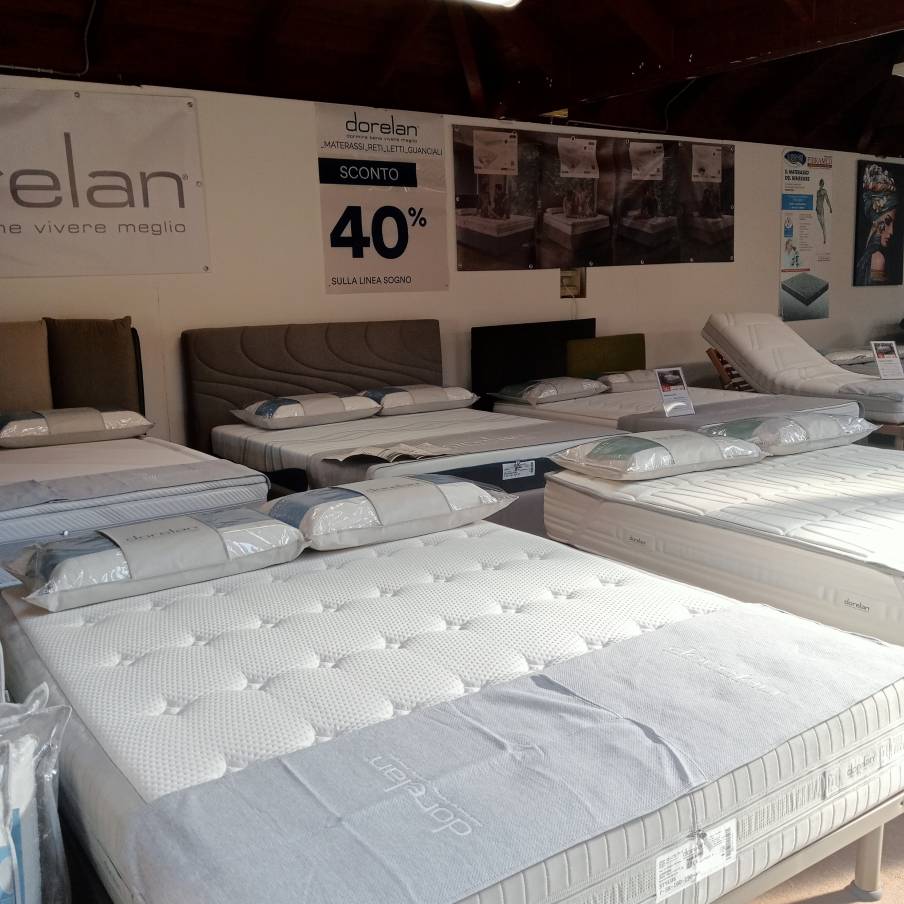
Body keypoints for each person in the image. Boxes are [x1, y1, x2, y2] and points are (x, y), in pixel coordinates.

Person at [855, 164, 898, 286]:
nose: (892, 231)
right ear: (875, 220)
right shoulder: (878, 259)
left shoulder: (867, 255)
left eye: (893, 223)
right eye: (887, 222)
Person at [815, 178, 832, 244]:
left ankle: (825, 239)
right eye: (821, 183)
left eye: (822, 183)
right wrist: (816, 208)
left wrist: (830, 207)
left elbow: (827, 200)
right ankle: (824, 237)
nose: (821, 184)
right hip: (817, 210)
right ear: (819, 184)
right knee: (821, 225)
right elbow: (817, 201)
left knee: (823, 225)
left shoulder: (824, 191)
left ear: (823, 184)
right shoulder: (817, 191)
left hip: (821, 210)